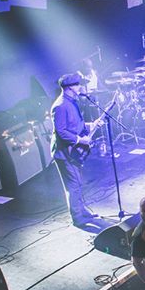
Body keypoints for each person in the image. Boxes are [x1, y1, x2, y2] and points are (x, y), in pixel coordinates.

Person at [50, 72, 103, 229]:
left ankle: (82, 210)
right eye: (78, 85)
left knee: (78, 183)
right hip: (64, 153)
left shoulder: (72, 102)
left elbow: (76, 124)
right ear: (70, 88)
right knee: (73, 185)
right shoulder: (60, 106)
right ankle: (77, 218)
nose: (80, 87)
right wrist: (80, 140)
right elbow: (61, 131)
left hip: (72, 152)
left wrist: (91, 125)